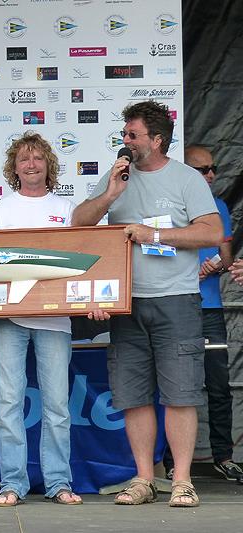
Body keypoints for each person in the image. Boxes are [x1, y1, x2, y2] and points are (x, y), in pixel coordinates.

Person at [73, 101, 222, 507]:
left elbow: (211, 232)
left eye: (132, 135)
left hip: (175, 300)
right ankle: (143, 479)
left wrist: (156, 237)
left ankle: (182, 481)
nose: (125, 142)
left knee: (180, 393)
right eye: (124, 135)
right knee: (133, 394)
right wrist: (110, 195)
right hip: (126, 303)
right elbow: (79, 223)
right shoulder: (117, 175)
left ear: (157, 140)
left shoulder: (187, 178)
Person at [0, 132, 82, 506]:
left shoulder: (67, 208)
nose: (31, 164)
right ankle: (12, 483)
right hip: (8, 319)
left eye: (38, 158)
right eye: (24, 159)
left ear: (48, 165)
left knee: (57, 404)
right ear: (14, 167)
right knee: (7, 403)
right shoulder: (0, 211)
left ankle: (59, 483)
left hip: (56, 320)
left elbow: (81, 264)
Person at [160, 146, 241, 482]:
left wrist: (214, 265)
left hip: (208, 307)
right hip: (174, 303)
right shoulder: (170, 204)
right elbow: (156, 248)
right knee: (171, 385)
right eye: (202, 169)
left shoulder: (219, 206)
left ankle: (223, 455)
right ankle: (167, 462)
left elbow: (226, 255)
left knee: (218, 384)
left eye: (213, 169)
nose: (210, 175)